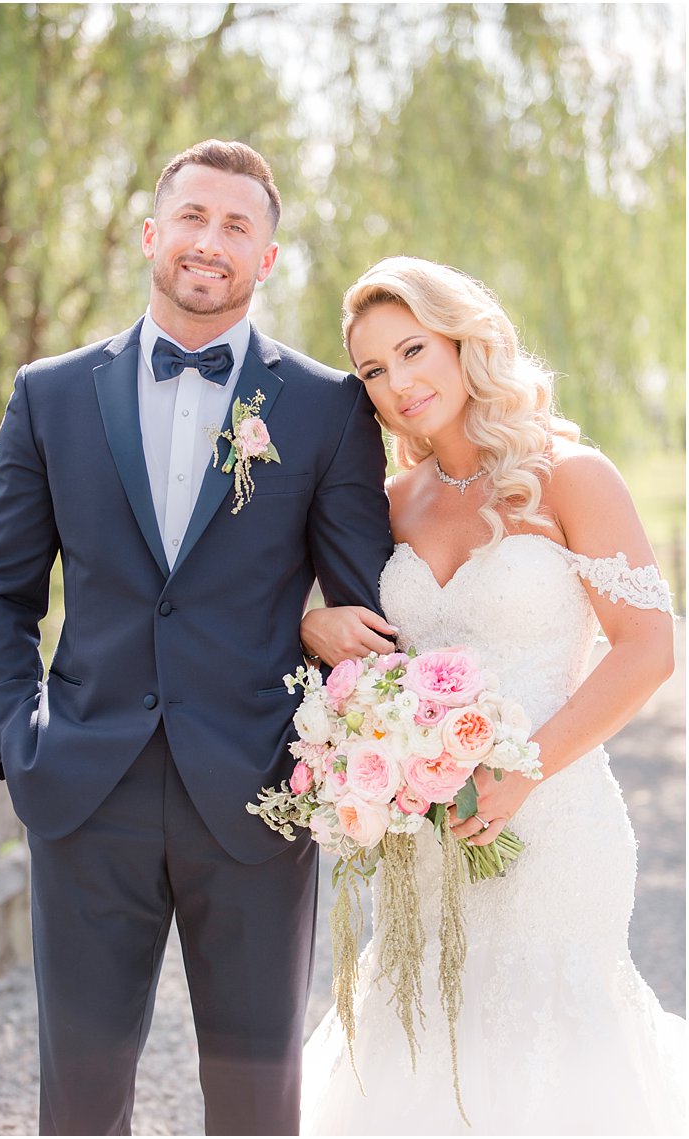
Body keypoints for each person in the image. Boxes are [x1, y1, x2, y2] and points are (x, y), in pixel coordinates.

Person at [0, 139, 394, 1135]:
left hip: (255, 793)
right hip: (82, 789)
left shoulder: (326, 406)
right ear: (151, 234)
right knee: (79, 1097)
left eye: (236, 225)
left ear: (267, 258)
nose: (209, 241)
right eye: (191, 217)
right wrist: (14, 741)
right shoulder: (50, 392)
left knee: (253, 1099)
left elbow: (368, 603)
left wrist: (329, 728)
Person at [297, 256, 685, 1133]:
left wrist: (525, 772)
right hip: (428, 844)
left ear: (464, 342)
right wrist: (312, 626)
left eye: (412, 350)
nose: (398, 382)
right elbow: (365, 642)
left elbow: (647, 648)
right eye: (373, 370)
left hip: (554, 825)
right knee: (425, 1052)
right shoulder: (388, 502)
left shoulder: (573, 476)